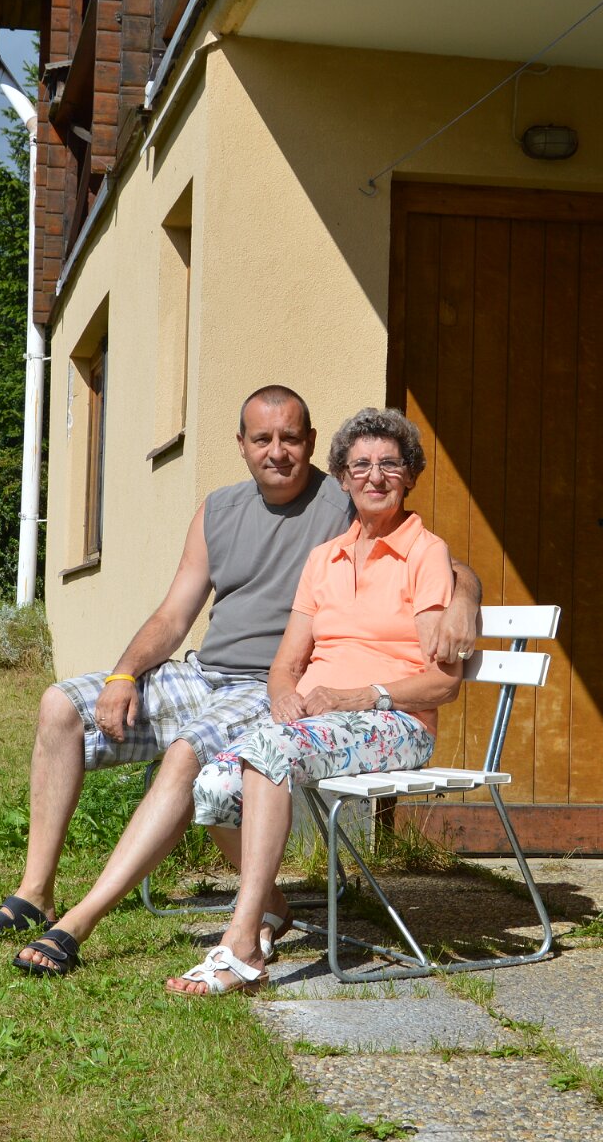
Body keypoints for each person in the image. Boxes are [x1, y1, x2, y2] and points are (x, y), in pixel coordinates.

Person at [0, 387, 481, 978]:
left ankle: (82, 921)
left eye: (290, 438)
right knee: (60, 705)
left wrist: (465, 599)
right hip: (208, 675)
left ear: (312, 444)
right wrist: (123, 674)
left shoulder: (341, 499)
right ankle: (35, 892)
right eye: (262, 439)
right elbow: (172, 616)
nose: (277, 451)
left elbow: (434, 559)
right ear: (241, 445)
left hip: (261, 690)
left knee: (189, 754)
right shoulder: (222, 512)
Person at [166, 407, 463, 995]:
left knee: (268, 756)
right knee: (213, 784)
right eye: (361, 466)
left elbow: (444, 682)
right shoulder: (324, 559)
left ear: (410, 475)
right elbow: (286, 664)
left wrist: (360, 696)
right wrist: (283, 699)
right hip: (316, 723)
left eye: (390, 464)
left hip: (395, 721)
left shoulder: (425, 553)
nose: (375, 476)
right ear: (343, 479)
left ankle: (242, 946)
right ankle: (271, 909)